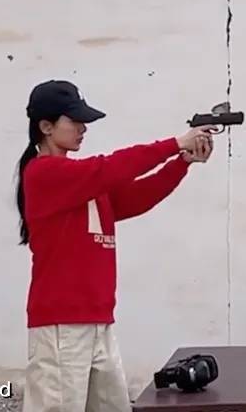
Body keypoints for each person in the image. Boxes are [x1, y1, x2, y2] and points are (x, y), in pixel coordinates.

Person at [15, 79, 216, 411]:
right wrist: (173, 144)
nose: (83, 128)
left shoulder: (80, 181)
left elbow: (136, 197)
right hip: (61, 324)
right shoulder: (44, 173)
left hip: (97, 320)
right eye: (74, 121)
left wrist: (182, 162)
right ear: (46, 127)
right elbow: (112, 168)